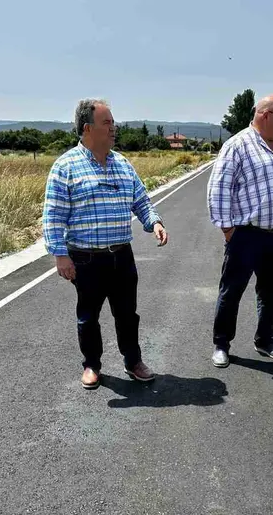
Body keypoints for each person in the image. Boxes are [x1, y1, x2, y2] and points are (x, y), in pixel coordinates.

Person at [42, 99, 168, 390]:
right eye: (107, 123)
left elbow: (141, 200)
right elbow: (53, 215)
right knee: (88, 316)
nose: (114, 128)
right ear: (87, 128)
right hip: (86, 259)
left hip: (121, 255)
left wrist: (155, 222)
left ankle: (133, 361)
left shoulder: (122, 163)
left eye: (113, 122)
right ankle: (91, 365)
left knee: (127, 314)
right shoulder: (66, 167)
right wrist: (60, 255)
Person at [207, 95, 273, 368]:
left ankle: (265, 340)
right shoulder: (237, 145)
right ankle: (221, 344)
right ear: (265, 116)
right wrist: (228, 230)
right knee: (232, 291)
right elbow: (218, 190)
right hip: (246, 235)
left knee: (272, 292)